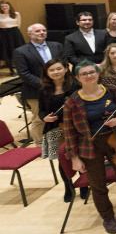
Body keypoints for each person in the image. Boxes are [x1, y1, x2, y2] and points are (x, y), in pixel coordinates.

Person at [63, 61, 116, 234]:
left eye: (92, 72)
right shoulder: (72, 102)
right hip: (89, 145)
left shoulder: (112, 90)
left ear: (97, 73)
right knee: (98, 183)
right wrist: (74, 158)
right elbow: (69, 132)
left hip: (115, 139)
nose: (89, 76)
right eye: (84, 74)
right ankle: (108, 217)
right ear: (78, 78)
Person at [13, 23, 63, 146]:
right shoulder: (20, 51)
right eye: (37, 31)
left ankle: (60, 142)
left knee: (59, 116)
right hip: (35, 91)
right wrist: (45, 85)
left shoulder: (57, 46)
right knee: (39, 119)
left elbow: (63, 64)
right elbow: (24, 73)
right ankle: (41, 145)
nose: (41, 32)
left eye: (43, 30)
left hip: (59, 89)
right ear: (29, 34)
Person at [38, 58, 80, 201]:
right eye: (51, 70)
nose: (55, 72)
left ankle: (84, 186)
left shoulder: (75, 85)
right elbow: (41, 111)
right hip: (54, 129)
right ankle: (68, 188)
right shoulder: (44, 90)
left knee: (79, 156)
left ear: (66, 69)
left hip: (74, 127)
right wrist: (45, 118)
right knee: (62, 161)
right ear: (47, 73)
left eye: (58, 69)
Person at [0, 0, 24, 73]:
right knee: (7, 52)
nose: (4, 8)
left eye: (6, 6)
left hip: (15, 33)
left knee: (19, 51)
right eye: (2, 6)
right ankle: (11, 70)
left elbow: (18, 25)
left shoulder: (16, 14)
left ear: (9, 6)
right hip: (4, 34)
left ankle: (21, 68)